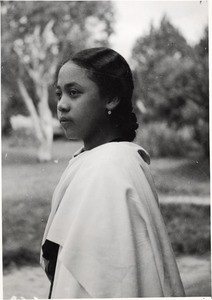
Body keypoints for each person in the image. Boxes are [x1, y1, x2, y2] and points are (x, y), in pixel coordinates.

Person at [40, 47, 185, 298]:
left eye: (74, 93)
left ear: (111, 98)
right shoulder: (89, 159)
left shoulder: (111, 168)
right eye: (59, 93)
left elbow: (111, 279)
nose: (61, 105)